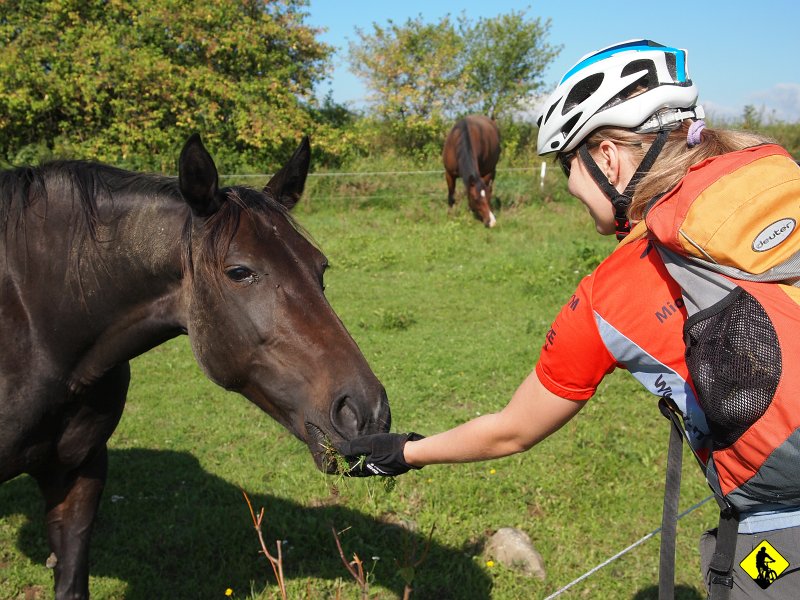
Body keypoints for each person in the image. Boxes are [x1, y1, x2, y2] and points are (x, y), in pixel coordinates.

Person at [339, 40, 800, 599]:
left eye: (567, 165)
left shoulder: (613, 290)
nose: (569, 186)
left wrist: (403, 451)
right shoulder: (778, 176)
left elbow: (513, 429)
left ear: (607, 157)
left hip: (780, 528)